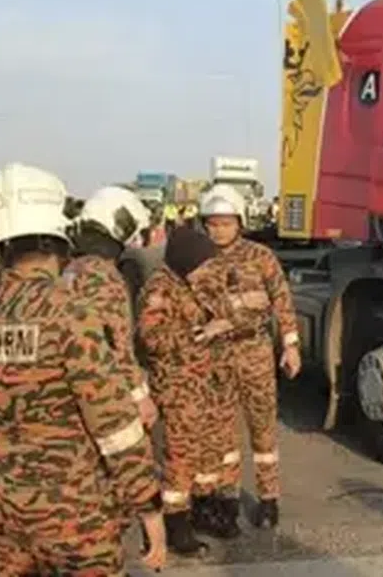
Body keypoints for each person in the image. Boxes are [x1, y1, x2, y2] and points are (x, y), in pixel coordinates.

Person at [0, 162, 166, 575]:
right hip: (77, 520)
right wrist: (149, 508)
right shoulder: (73, 317)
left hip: (4, 516)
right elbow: (115, 427)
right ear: (58, 237)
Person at [199, 183, 302, 529]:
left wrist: (290, 345)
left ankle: (269, 499)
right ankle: (228, 497)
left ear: (239, 223)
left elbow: (281, 300)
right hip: (217, 355)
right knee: (222, 431)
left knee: (263, 429)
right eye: (212, 224)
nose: (219, 230)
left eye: (226, 223)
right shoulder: (199, 261)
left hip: (255, 351)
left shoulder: (261, 257)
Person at [136, 225, 237, 556]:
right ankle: (176, 524)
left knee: (206, 453)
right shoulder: (159, 289)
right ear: (186, 261)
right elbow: (151, 339)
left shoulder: (190, 283)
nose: (206, 271)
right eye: (202, 265)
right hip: (177, 387)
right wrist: (199, 332)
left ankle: (202, 511)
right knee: (179, 457)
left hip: (203, 385)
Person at [65, 185, 158, 429]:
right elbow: (117, 345)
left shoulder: (69, 268)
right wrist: (140, 396)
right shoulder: (103, 275)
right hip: (101, 391)